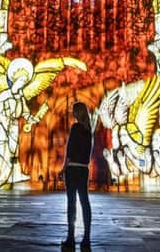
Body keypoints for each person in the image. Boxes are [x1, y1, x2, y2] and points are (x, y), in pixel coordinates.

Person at [61, 101, 93, 251]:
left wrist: (64, 168)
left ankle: (71, 237)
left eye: (74, 111)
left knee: (71, 203)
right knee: (85, 202)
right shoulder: (88, 130)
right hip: (84, 169)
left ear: (77, 113)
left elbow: (70, 150)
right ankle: (86, 237)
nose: (72, 113)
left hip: (73, 169)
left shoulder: (75, 128)